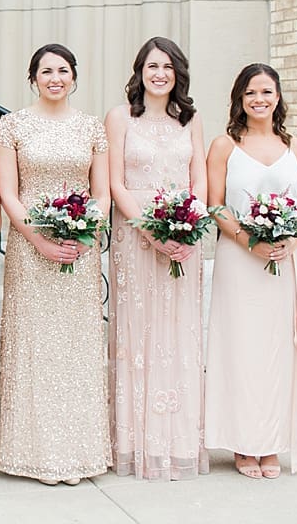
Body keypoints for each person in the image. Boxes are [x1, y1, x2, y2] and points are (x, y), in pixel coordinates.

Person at [0, 44, 111, 485]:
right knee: (35, 347)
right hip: (30, 251)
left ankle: (79, 452)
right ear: (33, 78)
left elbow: (101, 194)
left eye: (63, 70)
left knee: (75, 348)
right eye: (46, 71)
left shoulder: (92, 127)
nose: (55, 78)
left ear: (74, 77)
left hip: (78, 253)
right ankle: (32, 453)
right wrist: (40, 239)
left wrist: (83, 231)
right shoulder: (12, 126)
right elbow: (9, 193)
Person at [204, 63, 297, 479]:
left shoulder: (295, 147)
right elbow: (214, 204)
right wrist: (249, 240)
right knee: (240, 349)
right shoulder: (224, 145)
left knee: (275, 353)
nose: (259, 99)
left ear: (278, 98)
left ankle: (270, 442)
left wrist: (292, 237)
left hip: (284, 262)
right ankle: (242, 443)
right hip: (239, 261)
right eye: (251, 92)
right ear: (239, 98)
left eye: (267, 92)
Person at [104, 37, 209, 480]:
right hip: (135, 235)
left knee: (178, 334)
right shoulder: (120, 117)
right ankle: (134, 443)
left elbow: (199, 177)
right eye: (152, 65)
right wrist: (150, 228)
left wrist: (190, 226)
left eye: (167, 66)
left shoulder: (191, 119)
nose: (159, 73)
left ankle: (178, 441)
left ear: (177, 72)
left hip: (184, 236)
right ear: (139, 71)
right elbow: (115, 183)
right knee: (137, 335)